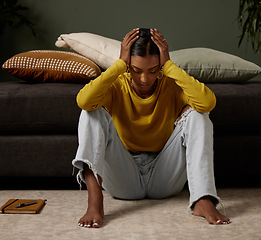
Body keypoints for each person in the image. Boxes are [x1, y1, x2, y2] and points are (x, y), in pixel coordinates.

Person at [72, 28, 231, 228]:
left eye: (153, 70)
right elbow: (84, 101)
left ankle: (202, 200)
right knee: (90, 112)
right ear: (128, 65)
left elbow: (208, 103)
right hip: (123, 178)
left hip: (164, 176)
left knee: (199, 115)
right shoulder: (116, 86)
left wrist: (170, 66)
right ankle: (95, 204)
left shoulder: (171, 84)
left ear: (160, 67)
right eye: (136, 70)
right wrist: (119, 64)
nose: (144, 79)